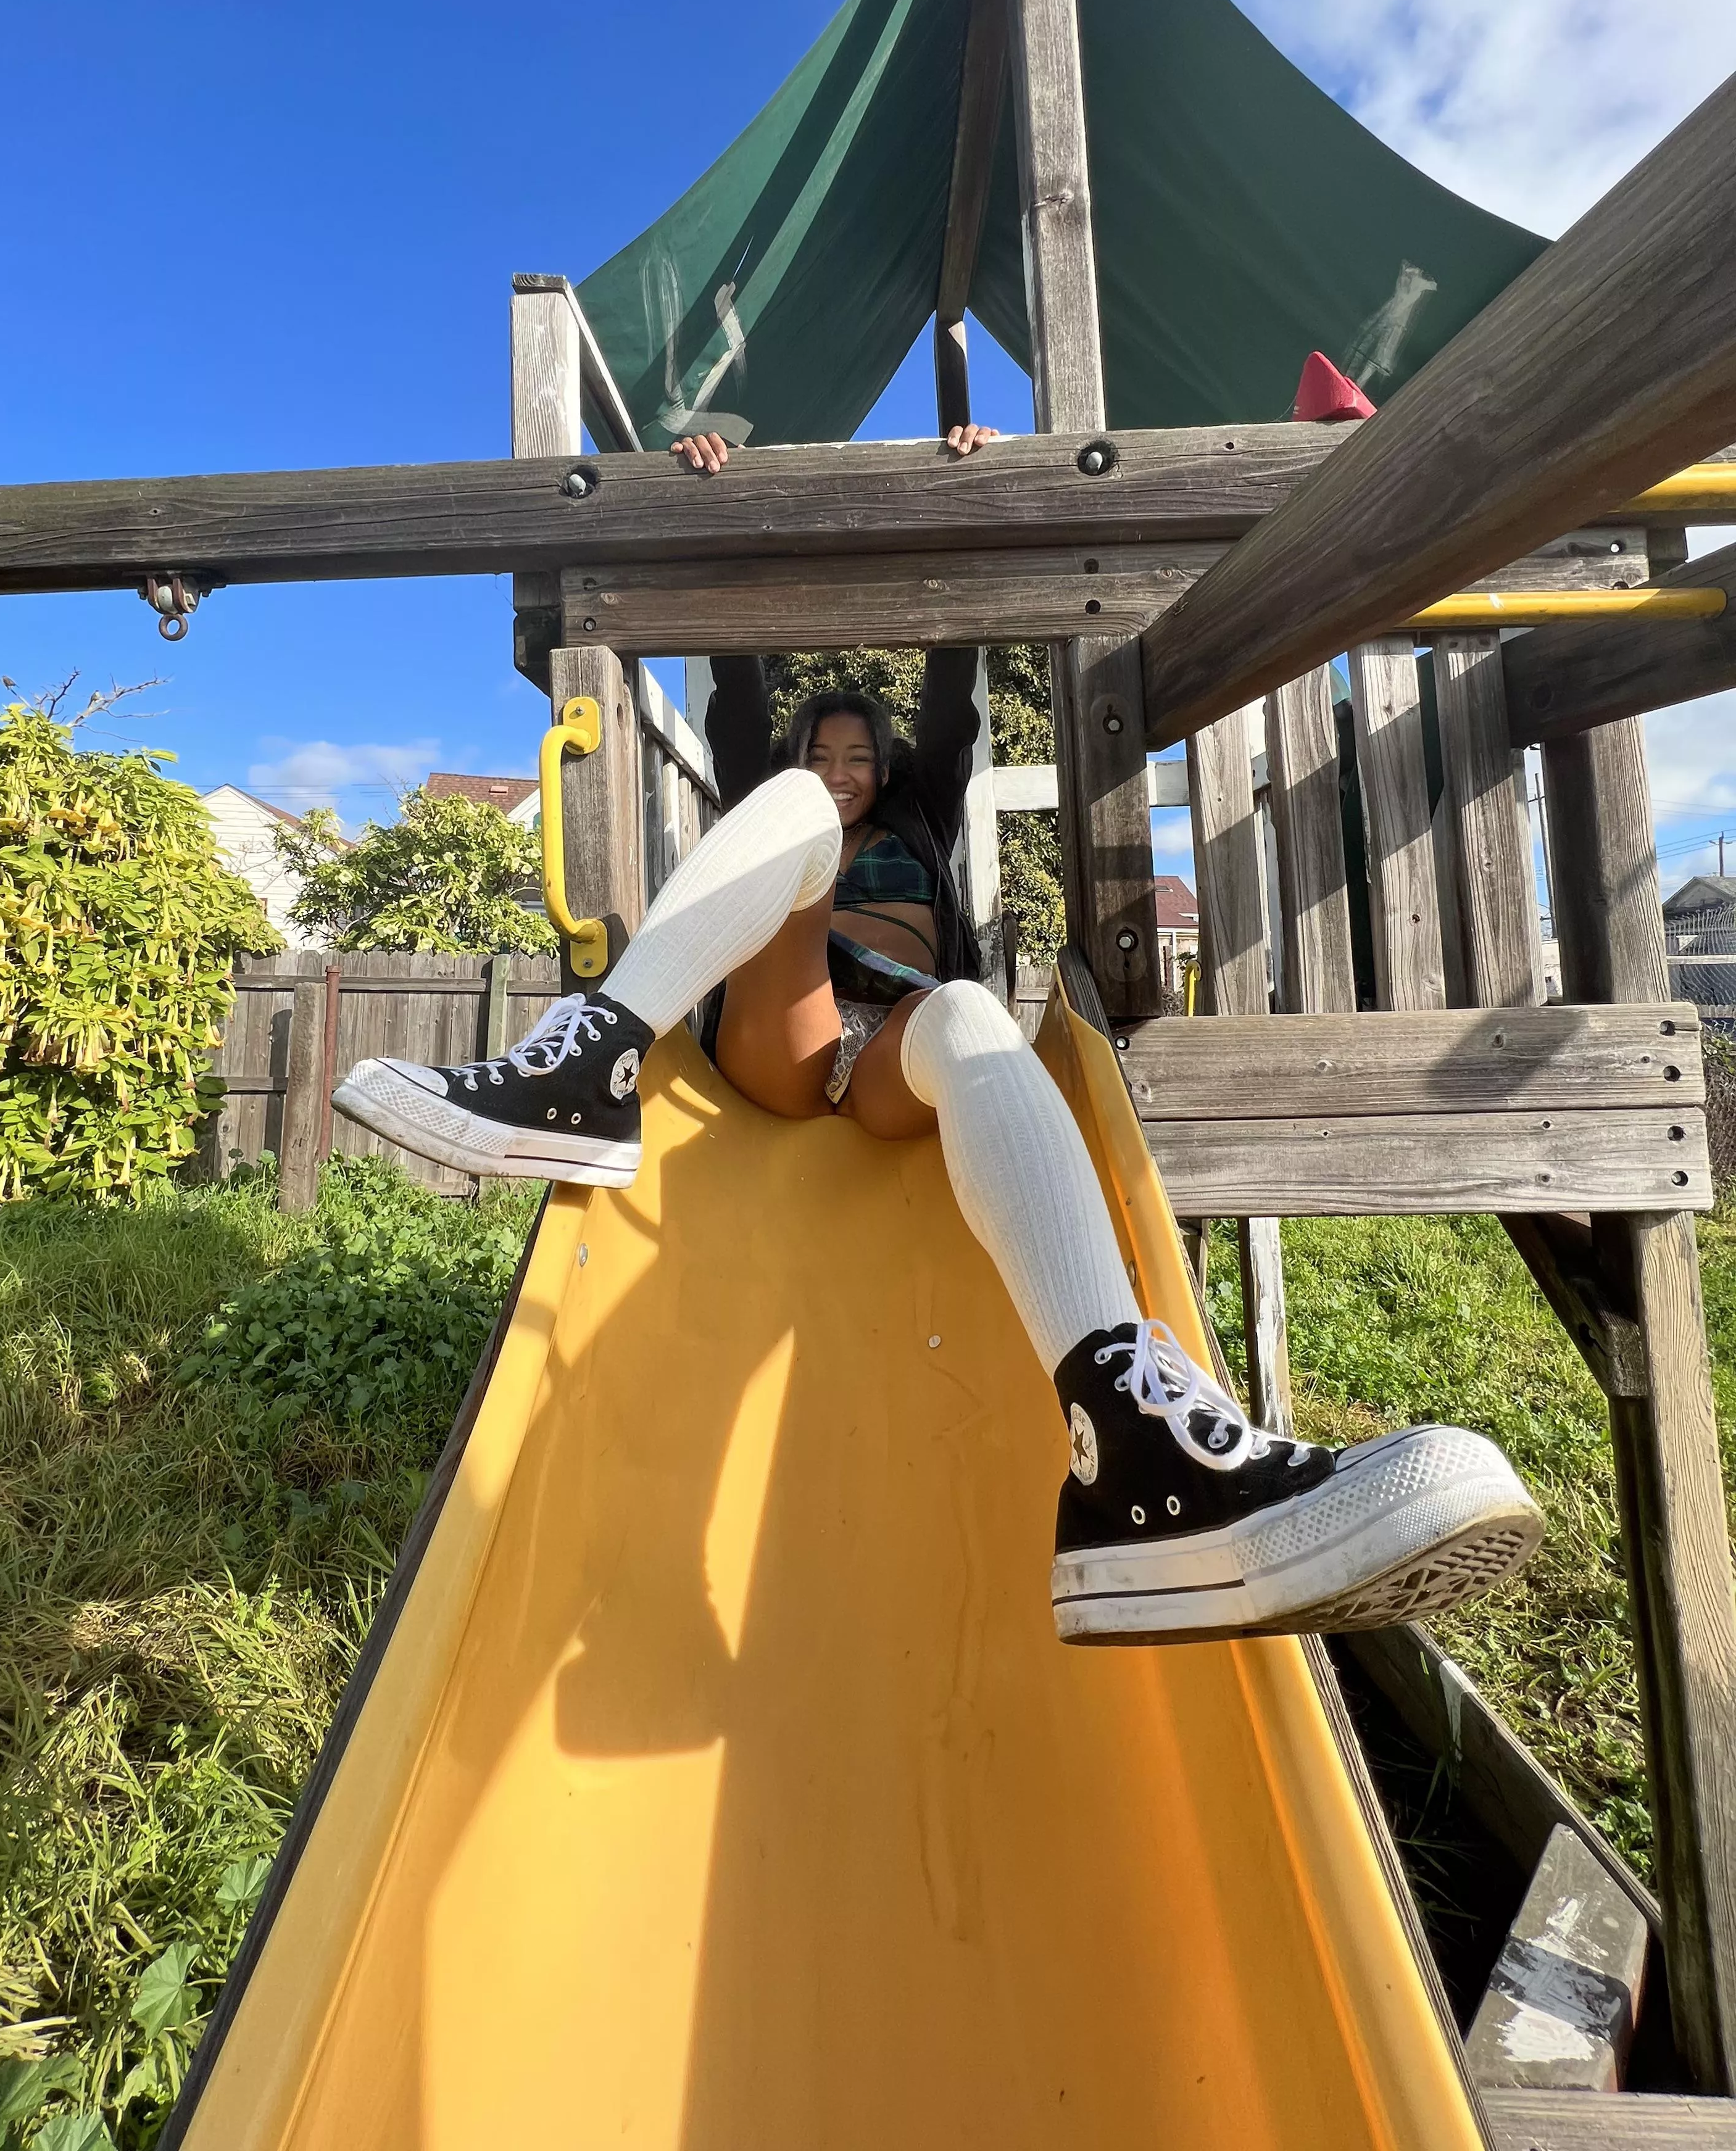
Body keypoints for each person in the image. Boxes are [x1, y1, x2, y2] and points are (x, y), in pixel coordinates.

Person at [334, 425, 1543, 1644]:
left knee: (970, 1011)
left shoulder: (921, 807)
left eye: (861, 756)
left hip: (894, 1055)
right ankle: (595, 1062)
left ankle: (1131, 1457)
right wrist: (720, 499)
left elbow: (954, 691)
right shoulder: (791, 813)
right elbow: (739, 689)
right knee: (787, 817)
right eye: (830, 752)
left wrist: (976, 498)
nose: (846, 770)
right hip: (790, 1037)